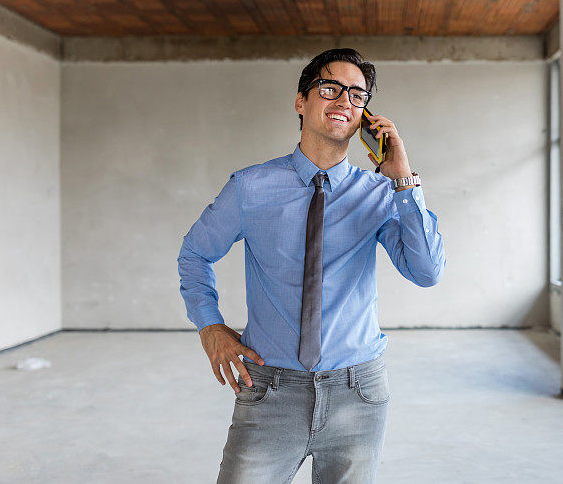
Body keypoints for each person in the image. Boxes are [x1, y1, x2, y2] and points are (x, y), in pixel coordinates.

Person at [177, 47, 446, 483]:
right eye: (331, 88)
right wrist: (209, 325)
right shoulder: (251, 187)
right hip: (269, 390)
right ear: (301, 102)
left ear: (366, 117)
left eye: (358, 96)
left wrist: (403, 178)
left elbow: (426, 271)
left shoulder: (380, 194)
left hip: (358, 393)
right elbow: (194, 254)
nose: (344, 101)